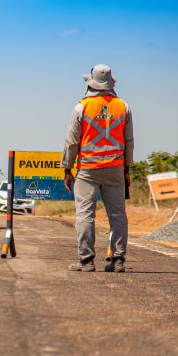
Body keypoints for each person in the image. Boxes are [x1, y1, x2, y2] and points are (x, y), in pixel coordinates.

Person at [62, 64, 134, 273]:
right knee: (118, 215)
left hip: (88, 169)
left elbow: (71, 142)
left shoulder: (81, 107)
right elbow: (129, 141)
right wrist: (126, 169)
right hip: (115, 167)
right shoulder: (124, 107)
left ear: (91, 83)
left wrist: (67, 169)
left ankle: (86, 261)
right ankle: (118, 260)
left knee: (85, 215)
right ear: (111, 83)